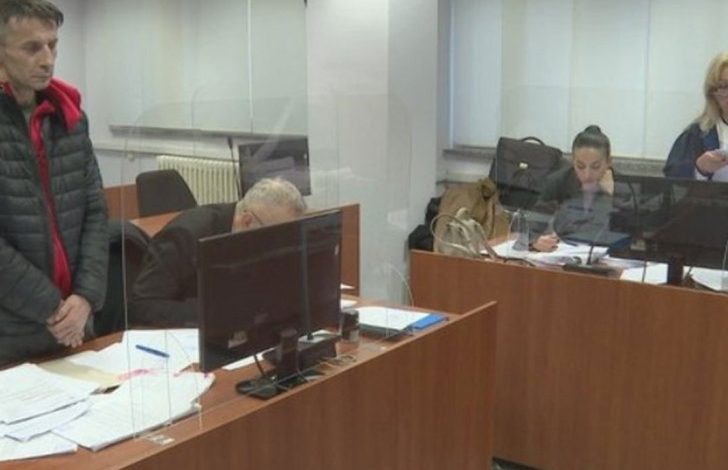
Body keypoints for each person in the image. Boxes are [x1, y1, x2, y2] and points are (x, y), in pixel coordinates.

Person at [0, 0, 108, 365]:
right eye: (32, 48)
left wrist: (86, 297)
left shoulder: (70, 118)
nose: (47, 59)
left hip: (76, 323)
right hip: (12, 333)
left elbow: (95, 210)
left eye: (52, 45)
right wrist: (52, 307)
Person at [130, 177, 307, 327]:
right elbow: (141, 306)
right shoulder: (186, 235)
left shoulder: (259, 230)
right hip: (187, 339)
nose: (280, 247)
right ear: (246, 221)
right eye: (276, 238)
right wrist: (213, 313)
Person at [531, 125, 613, 252]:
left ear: (609, 162)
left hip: (607, 257)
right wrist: (535, 240)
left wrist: (610, 195)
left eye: (595, 166)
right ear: (573, 161)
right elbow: (532, 226)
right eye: (580, 166)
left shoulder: (623, 186)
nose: (587, 175)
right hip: (563, 254)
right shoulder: (558, 182)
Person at [664, 52, 728, 180]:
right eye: (724, 87)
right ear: (712, 93)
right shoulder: (697, 134)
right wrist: (700, 169)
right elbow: (672, 177)